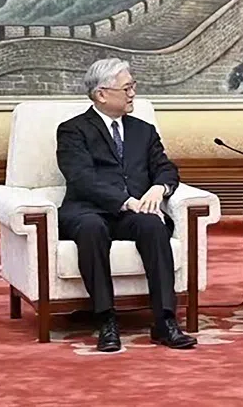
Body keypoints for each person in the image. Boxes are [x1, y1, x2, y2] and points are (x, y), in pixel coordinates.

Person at [56, 57, 196, 352]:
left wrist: (160, 187)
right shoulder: (73, 131)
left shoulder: (142, 130)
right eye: (127, 88)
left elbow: (166, 168)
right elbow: (81, 179)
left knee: (154, 224)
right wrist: (125, 201)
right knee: (92, 228)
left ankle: (164, 321)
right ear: (102, 94)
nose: (133, 93)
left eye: (133, 86)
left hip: (133, 212)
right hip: (89, 210)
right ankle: (106, 320)